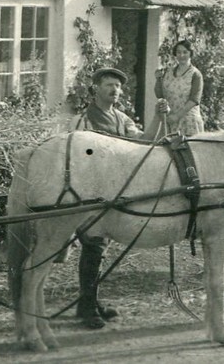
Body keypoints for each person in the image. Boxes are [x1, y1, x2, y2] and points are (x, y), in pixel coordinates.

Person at [72, 67, 142, 329]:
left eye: (118, 86)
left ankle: (88, 302)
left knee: (100, 247)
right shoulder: (83, 120)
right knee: (93, 246)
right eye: (109, 85)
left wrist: (160, 119)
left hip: (113, 189)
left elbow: (141, 140)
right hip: (90, 190)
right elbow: (78, 155)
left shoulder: (122, 118)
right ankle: (87, 307)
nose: (115, 90)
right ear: (96, 89)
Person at [154, 39, 205, 136]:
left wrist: (177, 116)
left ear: (190, 54)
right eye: (178, 52)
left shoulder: (195, 74)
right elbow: (159, 94)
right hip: (170, 120)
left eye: (185, 52)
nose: (181, 55)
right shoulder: (168, 72)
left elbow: (194, 99)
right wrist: (158, 79)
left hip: (188, 121)